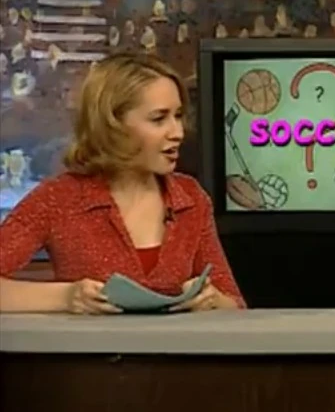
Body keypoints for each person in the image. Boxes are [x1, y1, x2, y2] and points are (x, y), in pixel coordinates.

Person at [0, 53, 245, 314]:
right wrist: (66, 297)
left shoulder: (191, 198)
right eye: (159, 119)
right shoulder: (58, 199)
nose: (178, 133)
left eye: (178, 116)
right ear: (113, 125)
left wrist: (213, 300)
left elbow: (235, 305)